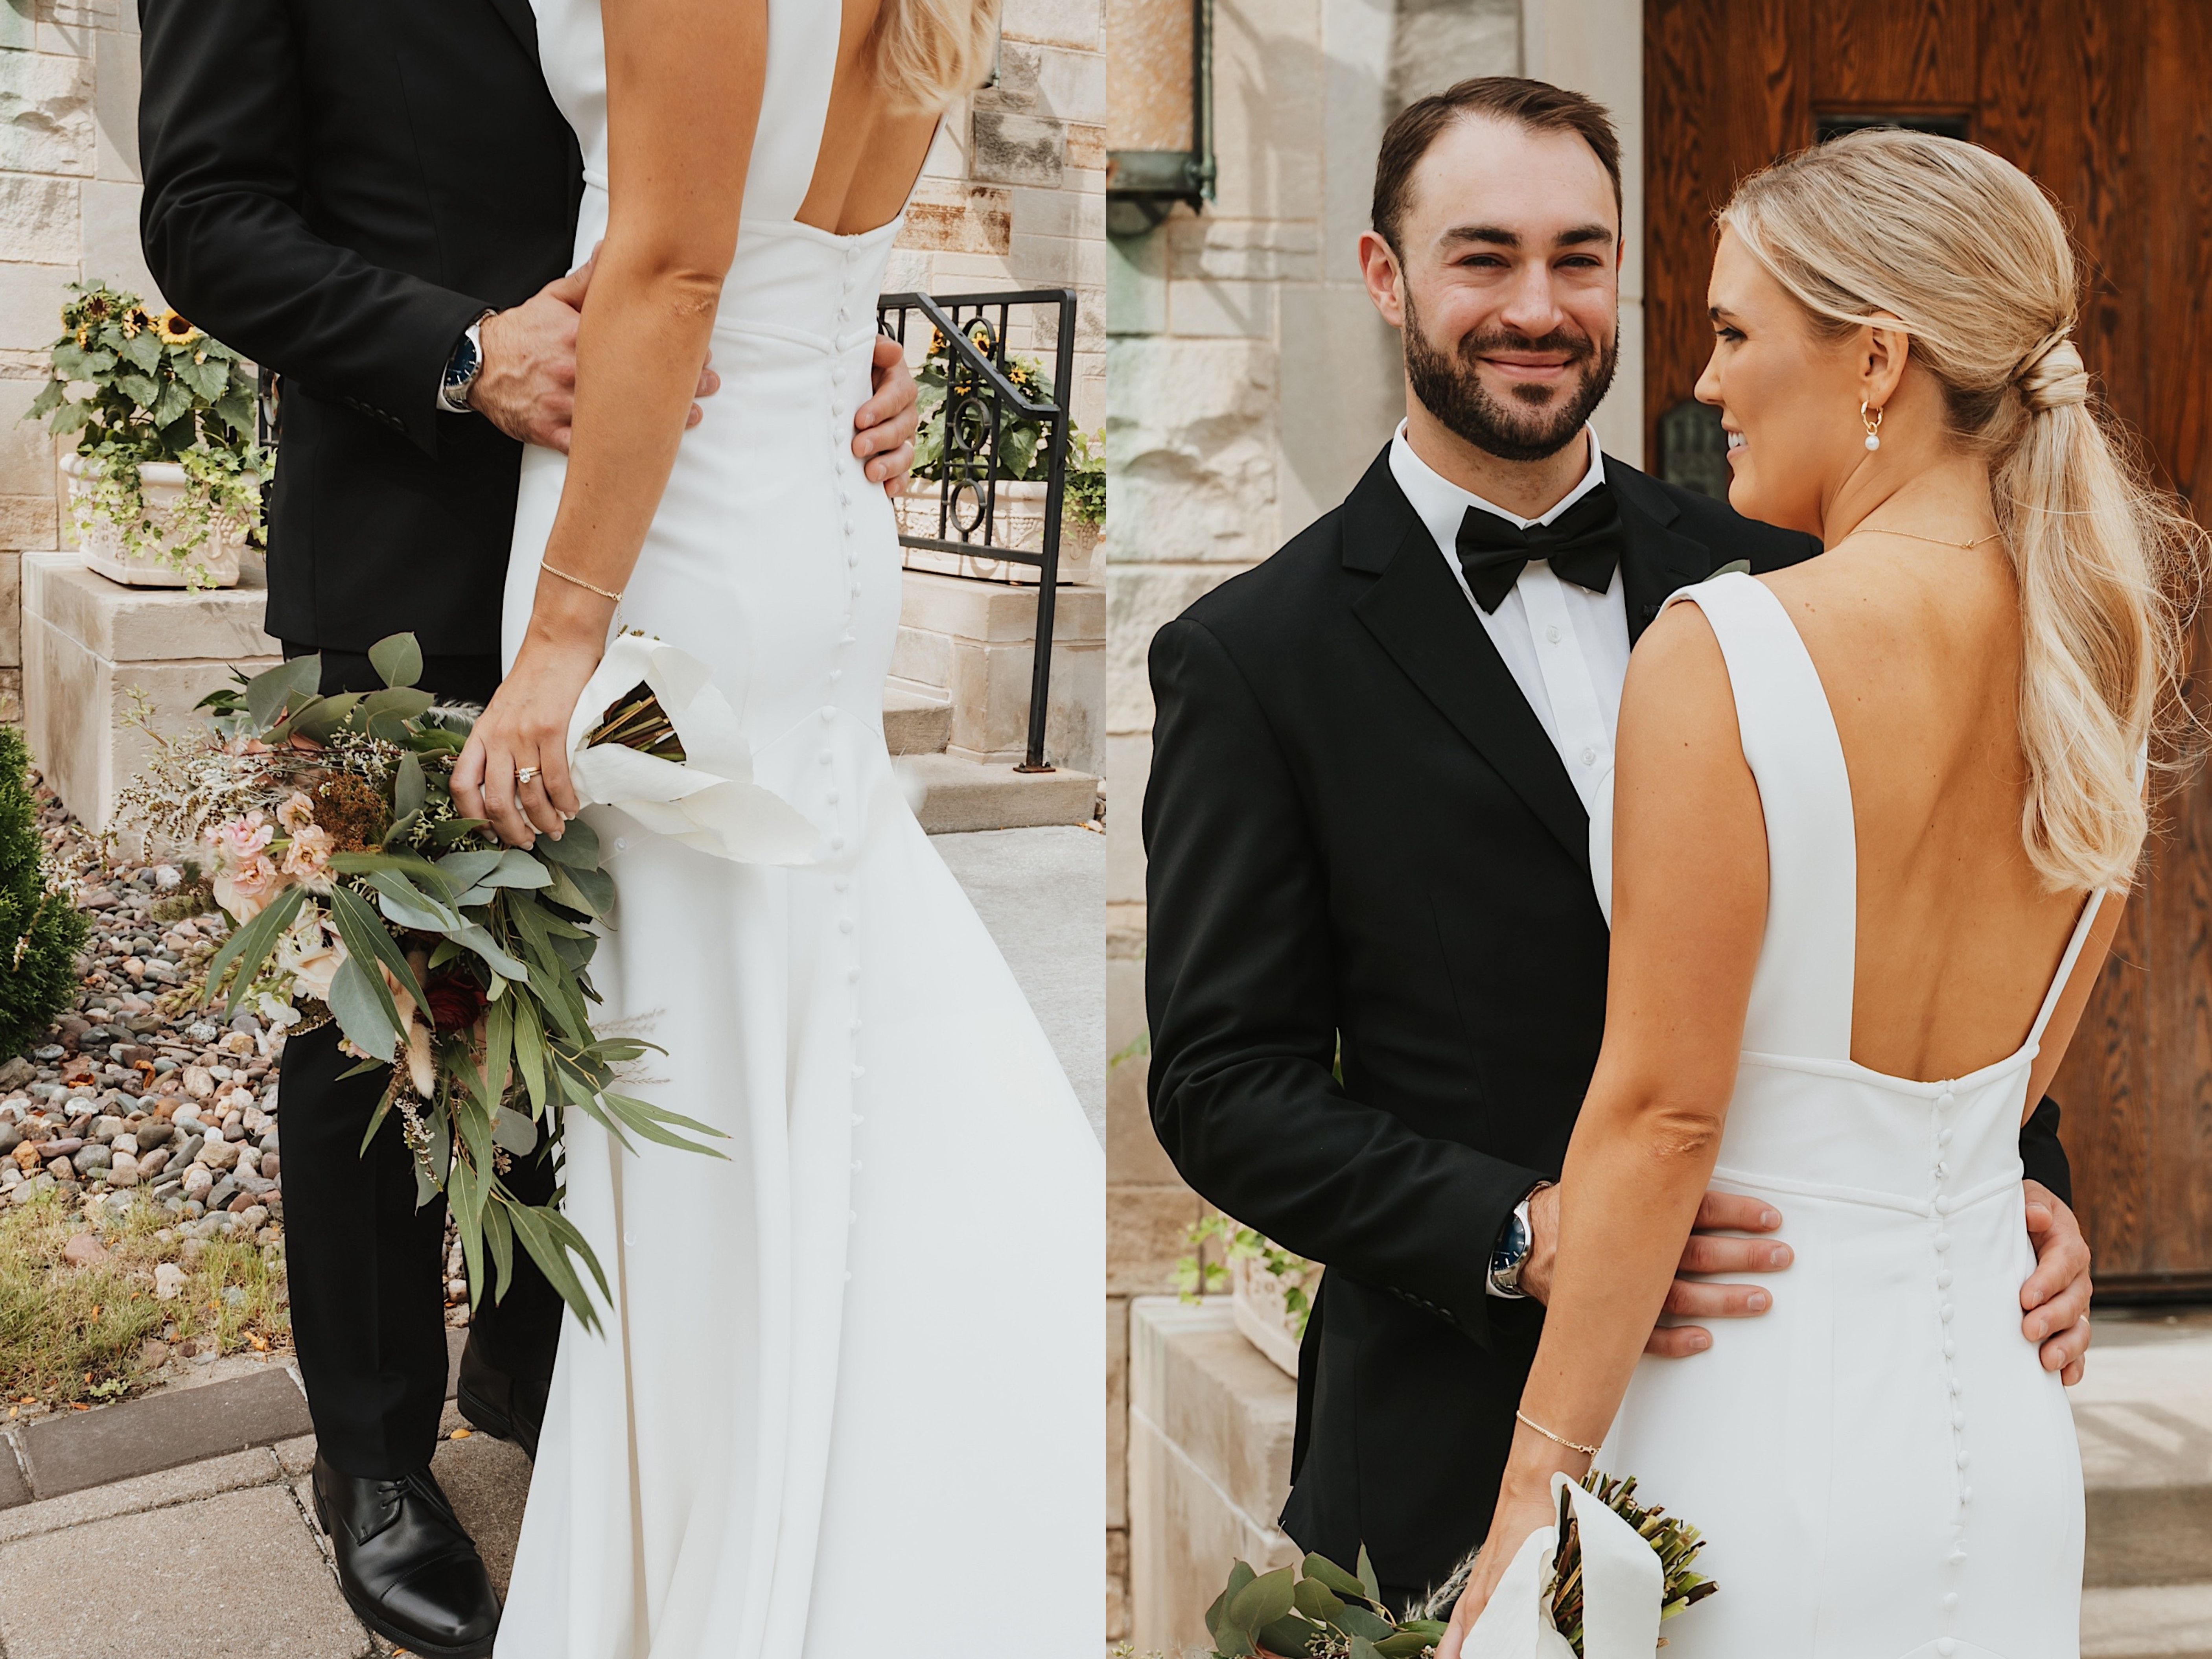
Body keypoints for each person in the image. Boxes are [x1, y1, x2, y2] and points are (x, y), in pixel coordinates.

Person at [1142, 78, 2098, 1613]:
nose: (1538, 305)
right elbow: (1218, 1083)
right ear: (1385, 277)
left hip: (1797, 1403)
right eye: (1484, 257)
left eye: (1580, 258)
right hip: (1456, 1436)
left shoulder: (1788, 574)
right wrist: (1524, 1230)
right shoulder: (1254, 656)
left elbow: (1930, 916)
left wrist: (2016, 1179)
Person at [134, 6, 921, 1655]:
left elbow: (713, 168)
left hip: (671, 511)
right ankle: (374, 1452)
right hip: (412, 516)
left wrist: (820, 341)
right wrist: (458, 349)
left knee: (622, 955)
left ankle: (534, 1345)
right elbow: (200, 218)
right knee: (380, 1000)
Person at [1444, 127, 2203, 1657]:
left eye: (1735, 331)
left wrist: (1536, 1490)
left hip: (1755, 1428)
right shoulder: (2095, 661)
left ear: (1876, 361)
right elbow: (1984, 1107)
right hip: (1999, 1440)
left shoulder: (1724, 651)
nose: (1706, 381)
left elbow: (1662, 1114)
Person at [443, 0, 1102, 1652]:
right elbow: (810, 249)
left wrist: (561, 643)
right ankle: (832, 1481)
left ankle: (732, 1563)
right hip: (799, 506)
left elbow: (671, 270)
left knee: (693, 1069)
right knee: (772, 1019)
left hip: (682, 546)